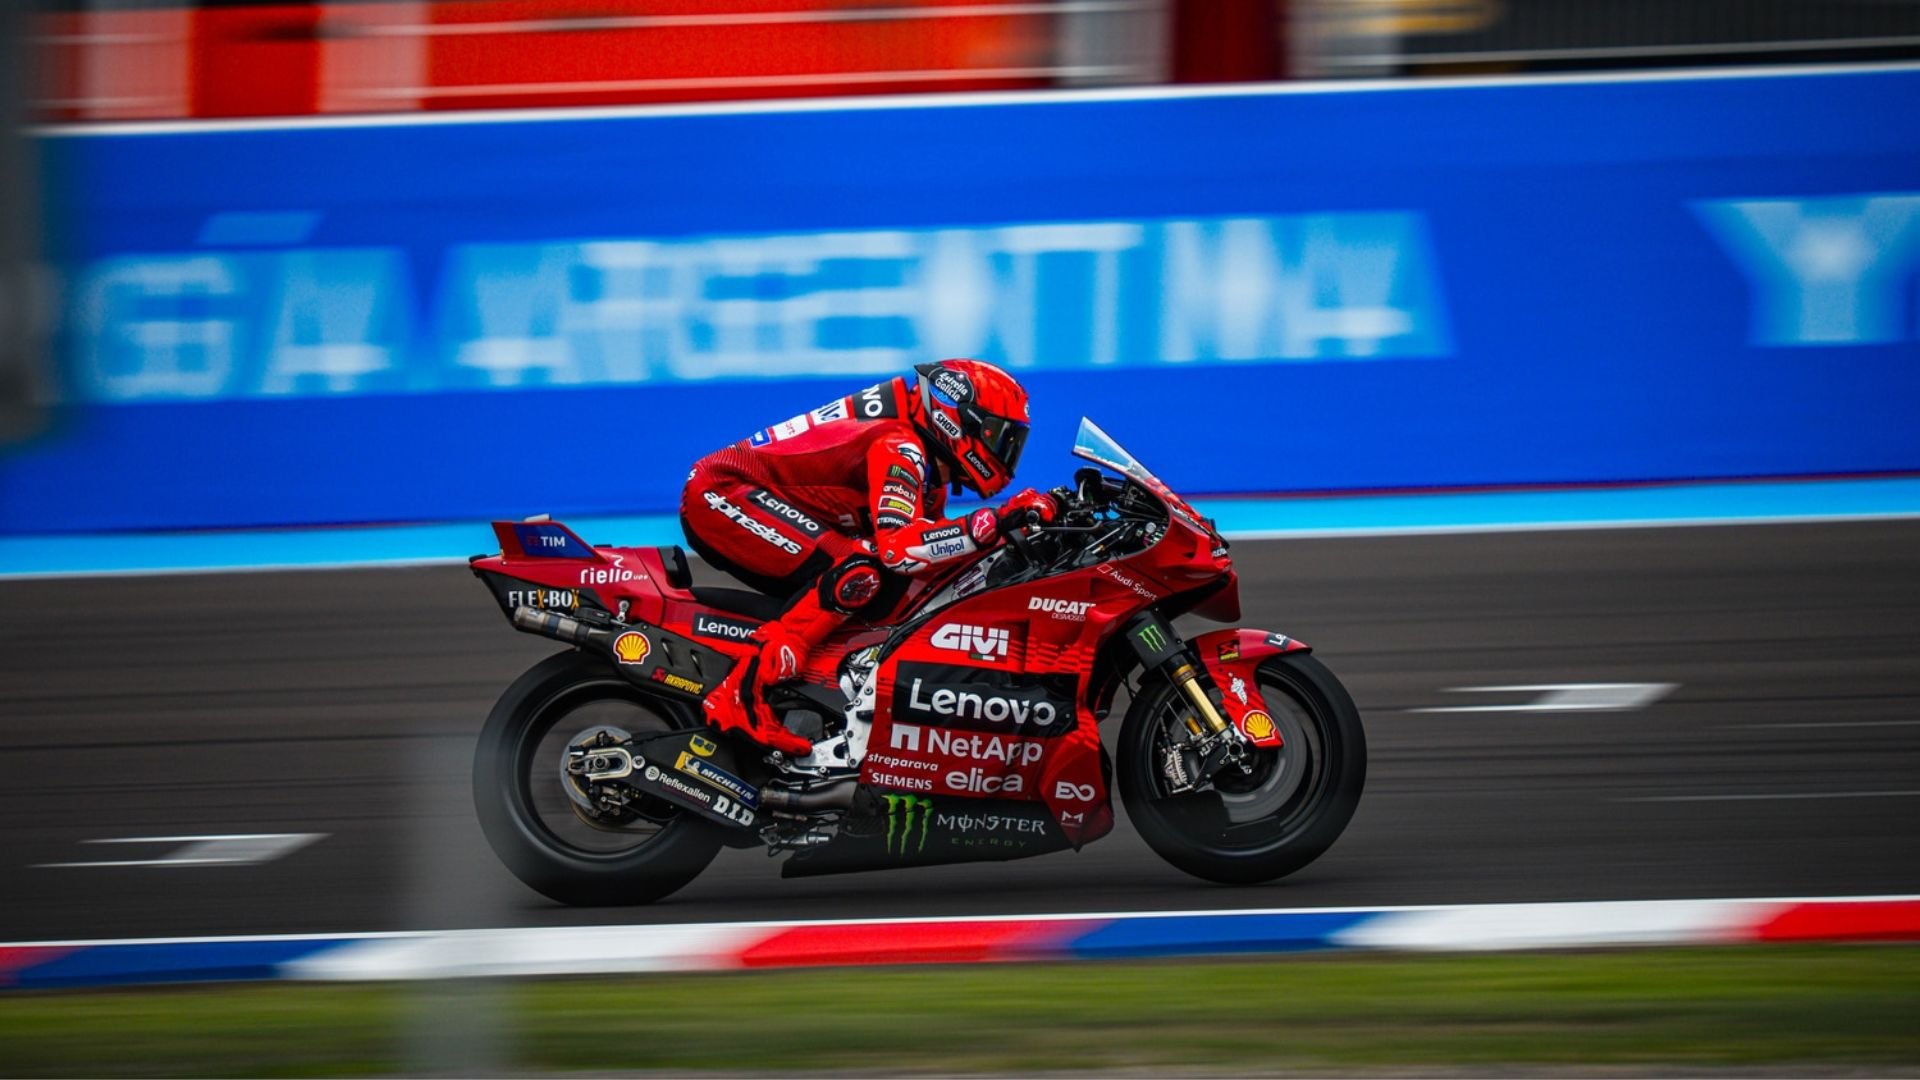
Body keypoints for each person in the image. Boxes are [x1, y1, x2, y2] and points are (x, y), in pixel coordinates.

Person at [681, 359, 1058, 756]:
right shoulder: (901, 445)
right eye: (999, 437)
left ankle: (815, 693)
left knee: (889, 587)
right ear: (957, 422)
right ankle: (740, 694)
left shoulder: (923, 462)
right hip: (723, 493)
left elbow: (930, 549)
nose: (1006, 453)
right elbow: (898, 550)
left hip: (742, 492)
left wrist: (1011, 536)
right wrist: (994, 522)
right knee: (859, 572)